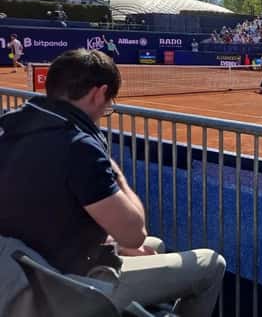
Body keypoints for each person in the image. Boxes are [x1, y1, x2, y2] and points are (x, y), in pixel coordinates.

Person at [0, 49, 225, 316]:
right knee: (211, 264)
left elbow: (42, 210)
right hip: (66, 284)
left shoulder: (8, 126)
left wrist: (113, 245)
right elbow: (134, 232)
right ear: (98, 93)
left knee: (153, 247)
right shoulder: (78, 146)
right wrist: (111, 167)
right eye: (108, 103)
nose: (105, 110)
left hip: (20, 269)